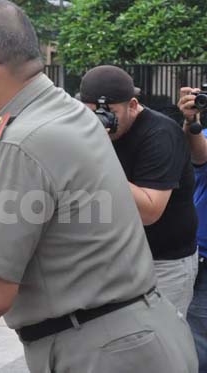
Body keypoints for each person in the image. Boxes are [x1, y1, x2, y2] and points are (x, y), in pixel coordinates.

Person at [0, 1, 198, 372]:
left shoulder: (20, 143)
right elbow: (12, 221)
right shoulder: (66, 111)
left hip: (101, 350)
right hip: (135, 336)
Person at [80, 65, 198, 316]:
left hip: (164, 262)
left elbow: (149, 211)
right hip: (115, 258)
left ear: (132, 105)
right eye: (92, 113)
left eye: (110, 113)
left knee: (161, 345)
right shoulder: (84, 131)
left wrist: (97, 152)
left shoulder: (161, 134)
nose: (102, 122)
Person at [178, 86, 207, 372]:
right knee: (196, 342)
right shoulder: (204, 135)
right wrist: (191, 125)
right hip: (200, 256)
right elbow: (201, 155)